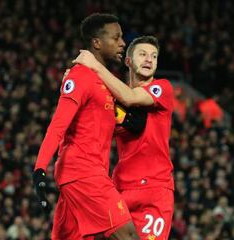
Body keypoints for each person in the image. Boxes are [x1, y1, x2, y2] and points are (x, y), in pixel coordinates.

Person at [32, 13, 140, 240]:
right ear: (97, 43)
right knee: (128, 235)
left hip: (82, 174)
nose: (123, 43)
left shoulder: (105, 80)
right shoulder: (80, 76)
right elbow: (57, 125)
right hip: (84, 173)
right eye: (116, 38)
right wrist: (40, 168)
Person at [74, 36, 175, 239]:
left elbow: (130, 97)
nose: (149, 60)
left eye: (154, 56)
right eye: (143, 54)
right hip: (119, 189)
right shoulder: (112, 99)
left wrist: (94, 66)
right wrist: (78, 79)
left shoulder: (162, 88)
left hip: (154, 190)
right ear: (128, 61)